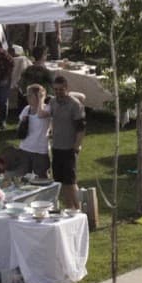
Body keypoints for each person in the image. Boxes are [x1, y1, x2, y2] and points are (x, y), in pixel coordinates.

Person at [49, 76, 87, 209]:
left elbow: (81, 129)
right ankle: (69, 209)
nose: (58, 92)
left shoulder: (75, 105)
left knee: (70, 182)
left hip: (69, 148)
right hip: (56, 147)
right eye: (55, 89)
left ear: (66, 88)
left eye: (61, 89)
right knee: (60, 182)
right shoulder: (52, 102)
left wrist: (76, 147)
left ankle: (79, 210)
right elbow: (51, 119)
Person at [16, 84, 53, 177]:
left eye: (30, 95)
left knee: (42, 178)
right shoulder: (26, 109)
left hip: (40, 150)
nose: (27, 98)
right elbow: (19, 127)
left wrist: (41, 100)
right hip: (24, 148)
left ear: (39, 96)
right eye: (27, 95)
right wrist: (23, 123)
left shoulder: (47, 109)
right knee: (24, 178)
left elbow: (40, 115)